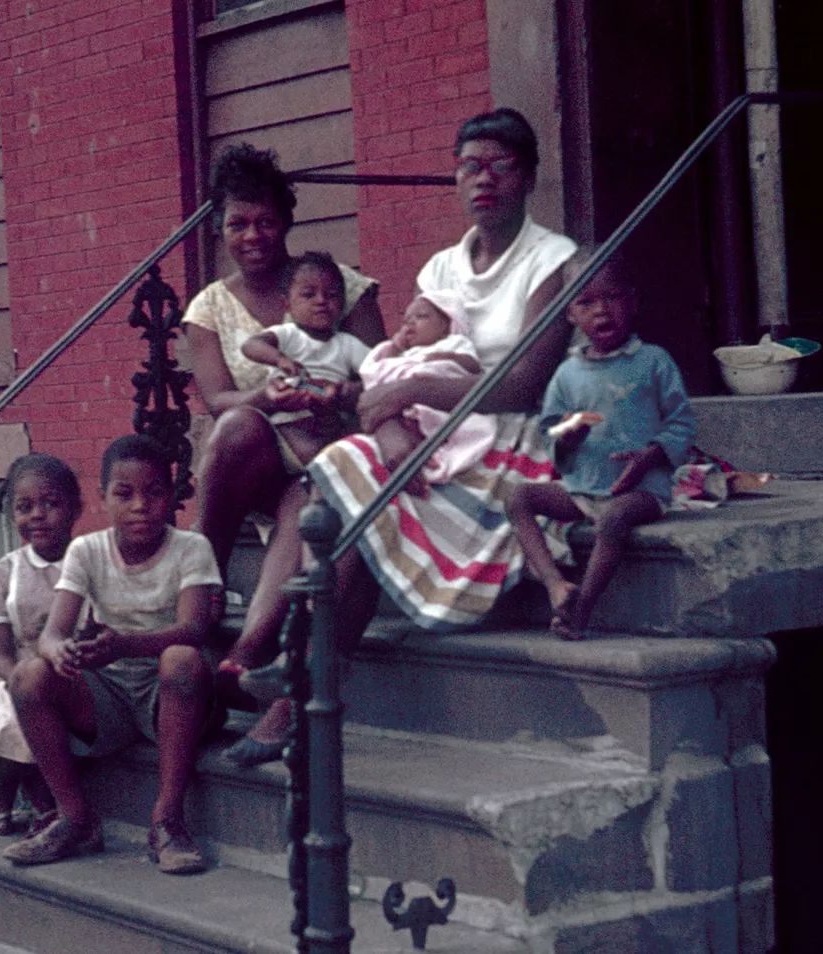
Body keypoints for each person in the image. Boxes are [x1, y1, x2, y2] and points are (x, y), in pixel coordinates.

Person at [235, 108, 578, 763]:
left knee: (371, 502)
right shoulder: (443, 267)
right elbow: (393, 363)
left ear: (529, 176)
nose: (483, 180)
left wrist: (409, 397)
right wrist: (389, 425)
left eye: (500, 166)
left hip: (503, 441)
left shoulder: (552, 263)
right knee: (348, 473)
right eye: (469, 167)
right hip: (427, 432)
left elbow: (522, 384)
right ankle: (302, 669)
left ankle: (298, 685)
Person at [181, 144, 383, 742]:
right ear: (219, 228)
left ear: (287, 222)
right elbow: (217, 398)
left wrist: (334, 398)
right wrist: (270, 399)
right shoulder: (210, 307)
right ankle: (205, 573)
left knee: (313, 499)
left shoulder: (335, 285)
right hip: (256, 453)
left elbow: (379, 376)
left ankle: (246, 655)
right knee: (237, 424)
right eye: (238, 224)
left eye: (266, 221)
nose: (253, 235)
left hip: (327, 455)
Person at [3, 435, 221, 875]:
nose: (140, 505)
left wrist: (122, 643)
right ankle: (75, 818)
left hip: (174, 693)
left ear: (173, 496)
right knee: (28, 675)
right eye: (124, 493)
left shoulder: (191, 548)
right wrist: (60, 651)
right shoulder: (87, 549)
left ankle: (167, 821)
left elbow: (195, 629)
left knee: (180, 657)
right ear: (103, 499)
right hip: (110, 694)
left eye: (154, 492)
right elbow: (51, 635)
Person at [506, 253, 696, 639]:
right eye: (586, 302)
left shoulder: (653, 362)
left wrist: (653, 454)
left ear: (633, 302)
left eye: (612, 298)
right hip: (580, 490)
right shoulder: (567, 374)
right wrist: (566, 436)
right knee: (518, 498)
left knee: (612, 520)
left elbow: (681, 421)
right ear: (570, 315)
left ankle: (581, 609)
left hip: (640, 492)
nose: (601, 311)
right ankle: (556, 585)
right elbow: (549, 432)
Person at [0, 453, 81, 835]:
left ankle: (45, 801)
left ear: (75, 508)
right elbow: (2, 653)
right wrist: (19, 684)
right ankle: (2, 796)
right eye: (24, 507)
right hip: (15, 671)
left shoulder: (88, 559)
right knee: (15, 712)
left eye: (50, 504)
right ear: (12, 514)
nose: (37, 515)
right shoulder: (5, 572)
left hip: (72, 667)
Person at [237, 250, 372, 464]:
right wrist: (280, 359)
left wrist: (343, 390)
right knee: (314, 454)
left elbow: (377, 369)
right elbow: (251, 346)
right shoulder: (288, 334)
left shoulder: (346, 343)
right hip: (290, 417)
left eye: (332, 295)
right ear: (287, 304)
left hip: (331, 413)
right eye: (308, 294)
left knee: (350, 446)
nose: (321, 301)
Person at [357, 289, 495, 487]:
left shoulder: (454, 342)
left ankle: (423, 447)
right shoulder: (409, 353)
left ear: (447, 326)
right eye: (405, 321)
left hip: (433, 393)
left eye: (421, 317)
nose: (410, 324)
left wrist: (446, 358)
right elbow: (375, 371)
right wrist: (394, 348)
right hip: (399, 402)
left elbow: (471, 366)